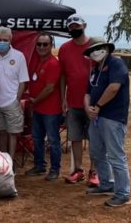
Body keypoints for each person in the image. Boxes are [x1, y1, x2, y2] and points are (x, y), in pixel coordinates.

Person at [83, 37, 131, 207]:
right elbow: (87, 92)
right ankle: (106, 184)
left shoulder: (116, 63)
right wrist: (88, 107)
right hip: (96, 118)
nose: (95, 52)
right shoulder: (95, 69)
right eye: (92, 50)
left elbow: (114, 88)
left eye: (99, 48)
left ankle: (123, 193)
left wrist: (97, 106)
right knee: (97, 152)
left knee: (116, 156)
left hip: (113, 118)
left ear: (107, 48)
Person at [58, 14, 99, 186]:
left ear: (84, 25)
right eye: (71, 27)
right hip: (73, 102)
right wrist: (63, 98)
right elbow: (63, 76)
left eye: (77, 25)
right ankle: (78, 170)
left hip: (93, 103)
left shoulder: (95, 45)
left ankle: (94, 172)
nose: (74, 29)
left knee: (94, 139)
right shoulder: (64, 49)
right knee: (75, 137)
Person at [25, 33, 62, 181]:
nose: (41, 47)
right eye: (39, 44)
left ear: (51, 45)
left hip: (51, 110)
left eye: (45, 44)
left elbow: (50, 88)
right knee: (37, 138)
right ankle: (39, 165)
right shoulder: (37, 62)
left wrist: (35, 101)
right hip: (38, 109)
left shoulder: (53, 63)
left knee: (53, 140)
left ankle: (55, 169)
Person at [0, 26, 29, 160]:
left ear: (10, 39)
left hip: (12, 102)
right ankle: (3, 160)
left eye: (5, 40)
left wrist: (16, 100)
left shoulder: (19, 56)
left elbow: (23, 81)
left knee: (12, 133)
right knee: (1, 132)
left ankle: (10, 161)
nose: (2, 42)